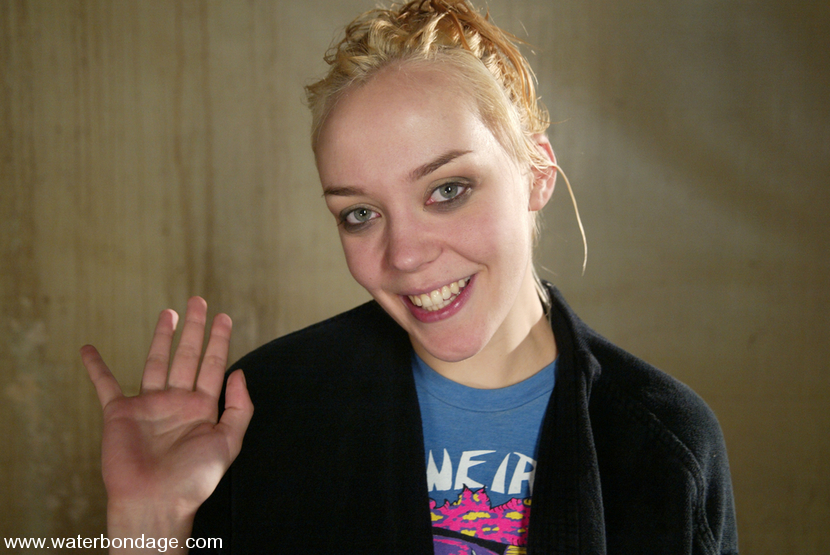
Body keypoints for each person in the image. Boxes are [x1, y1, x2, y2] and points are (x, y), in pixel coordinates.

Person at [82, 1, 738, 553]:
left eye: (447, 189)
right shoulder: (260, 417)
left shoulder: (663, 444)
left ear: (537, 172)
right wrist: (149, 522)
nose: (403, 256)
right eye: (360, 214)